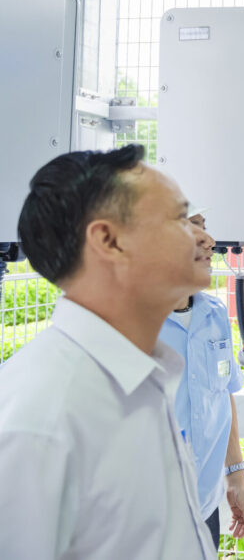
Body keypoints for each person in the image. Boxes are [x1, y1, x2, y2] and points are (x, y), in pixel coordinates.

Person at [0, 145, 217, 559]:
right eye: (179, 219)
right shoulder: (39, 420)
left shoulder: (144, 380)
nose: (206, 239)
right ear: (109, 240)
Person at [159, 205, 244, 548]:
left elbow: (221, 396)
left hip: (204, 509)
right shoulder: (131, 324)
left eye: (205, 226)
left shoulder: (214, 315)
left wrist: (236, 477)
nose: (210, 241)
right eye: (192, 228)